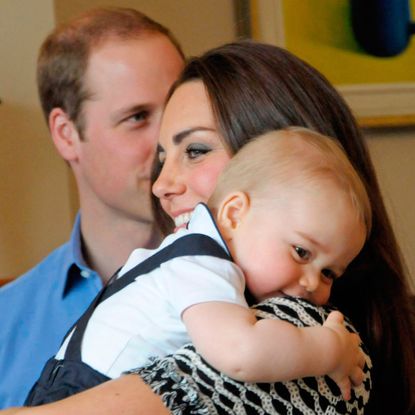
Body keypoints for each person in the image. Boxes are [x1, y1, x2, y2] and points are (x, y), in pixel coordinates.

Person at [2, 40, 414, 415]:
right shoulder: (205, 279)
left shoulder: (297, 339)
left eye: (196, 150)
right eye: (165, 157)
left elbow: (236, 354)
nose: (162, 185)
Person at [25, 128, 371, 406]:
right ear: (235, 213)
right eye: (301, 252)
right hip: (84, 390)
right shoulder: (201, 263)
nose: (312, 283)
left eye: (329, 272)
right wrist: (328, 350)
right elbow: (240, 352)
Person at [0, 7, 184, 408]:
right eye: (137, 117)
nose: (168, 141)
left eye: (176, 111)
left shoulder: (258, 285)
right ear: (66, 135)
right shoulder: (5, 323)